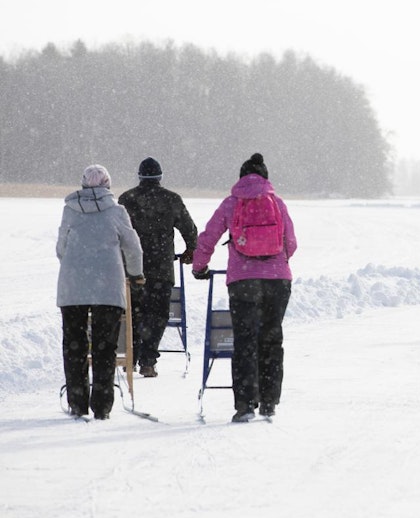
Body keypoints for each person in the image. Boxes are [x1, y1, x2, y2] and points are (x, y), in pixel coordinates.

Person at [192, 153, 297, 422]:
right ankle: (270, 401)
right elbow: (291, 243)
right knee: (272, 339)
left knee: (245, 341)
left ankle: (245, 405)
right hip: (277, 281)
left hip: (243, 281)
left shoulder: (231, 203)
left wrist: (199, 266)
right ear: (265, 176)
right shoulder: (278, 203)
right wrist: (274, 263)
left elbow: (208, 237)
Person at [56, 164, 145, 420]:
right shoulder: (117, 212)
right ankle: (102, 406)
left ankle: (77, 402)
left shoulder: (69, 211)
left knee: (74, 345)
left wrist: (77, 265)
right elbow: (133, 247)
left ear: (83, 185)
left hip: (72, 287)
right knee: (105, 347)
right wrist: (136, 274)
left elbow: (61, 248)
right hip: (108, 287)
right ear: (108, 185)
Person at [118, 157, 198, 378]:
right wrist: (191, 250)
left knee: (133, 314)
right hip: (162, 268)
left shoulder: (127, 198)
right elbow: (189, 229)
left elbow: (117, 231)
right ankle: (148, 360)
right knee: (158, 314)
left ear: (140, 176)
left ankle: (130, 358)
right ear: (160, 177)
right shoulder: (171, 199)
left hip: (132, 268)